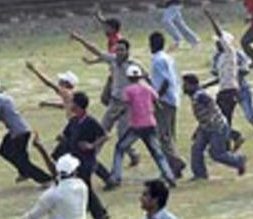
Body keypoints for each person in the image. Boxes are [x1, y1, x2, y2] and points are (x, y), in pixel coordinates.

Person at [70, 32, 140, 169]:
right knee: (101, 130)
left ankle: (133, 154)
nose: (119, 53)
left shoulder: (133, 66)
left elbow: (144, 80)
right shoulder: (112, 60)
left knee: (122, 135)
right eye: (117, 50)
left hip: (128, 105)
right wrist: (79, 39)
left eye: (122, 50)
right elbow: (95, 50)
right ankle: (92, 158)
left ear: (128, 51)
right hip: (114, 102)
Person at [106, 65, 176, 190]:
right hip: (150, 124)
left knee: (120, 148)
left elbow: (125, 105)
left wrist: (117, 115)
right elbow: (156, 99)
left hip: (136, 126)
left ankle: (116, 177)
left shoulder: (128, 90)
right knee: (157, 152)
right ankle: (169, 176)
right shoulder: (147, 88)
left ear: (128, 77)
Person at [0, 78, 51, 185]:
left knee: (17, 158)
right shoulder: (4, 97)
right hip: (21, 129)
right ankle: (24, 173)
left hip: (17, 132)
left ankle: (45, 178)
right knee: (11, 152)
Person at [53, 92, 110, 219]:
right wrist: (61, 138)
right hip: (75, 160)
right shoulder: (73, 121)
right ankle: (96, 213)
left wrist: (92, 145)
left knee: (85, 187)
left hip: (86, 161)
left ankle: (100, 214)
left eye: (72, 102)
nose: (70, 104)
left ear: (78, 105)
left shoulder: (90, 121)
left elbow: (105, 135)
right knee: (83, 187)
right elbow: (66, 135)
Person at [182, 74, 247, 179]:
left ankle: (239, 160)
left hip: (216, 127)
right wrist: (198, 129)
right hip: (205, 127)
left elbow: (211, 106)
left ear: (193, 85)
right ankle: (200, 175)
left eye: (186, 85)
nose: (183, 87)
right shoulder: (195, 96)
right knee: (196, 149)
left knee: (217, 154)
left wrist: (213, 121)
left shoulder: (201, 96)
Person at [1, 154, 88, 219]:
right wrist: (41, 150)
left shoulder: (52, 194)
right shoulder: (82, 186)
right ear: (74, 172)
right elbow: (57, 177)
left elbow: (31, 218)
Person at [202, 9, 244, 150]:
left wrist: (210, 17)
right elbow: (220, 78)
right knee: (223, 119)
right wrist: (205, 85)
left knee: (220, 120)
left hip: (230, 91)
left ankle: (235, 138)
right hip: (224, 91)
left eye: (218, 42)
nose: (216, 44)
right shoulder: (220, 58)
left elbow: (219, 34)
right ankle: (227, 146)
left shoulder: (230, 52)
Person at [148, 32, 186, 178]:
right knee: (169, 135)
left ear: (152, 44)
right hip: (173, 99)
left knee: (163, 135)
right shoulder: (167, 58)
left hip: (164, 101)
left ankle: (176, 162)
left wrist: (156, 97)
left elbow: (165, 81)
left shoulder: (158, 60)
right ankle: (173, 168)